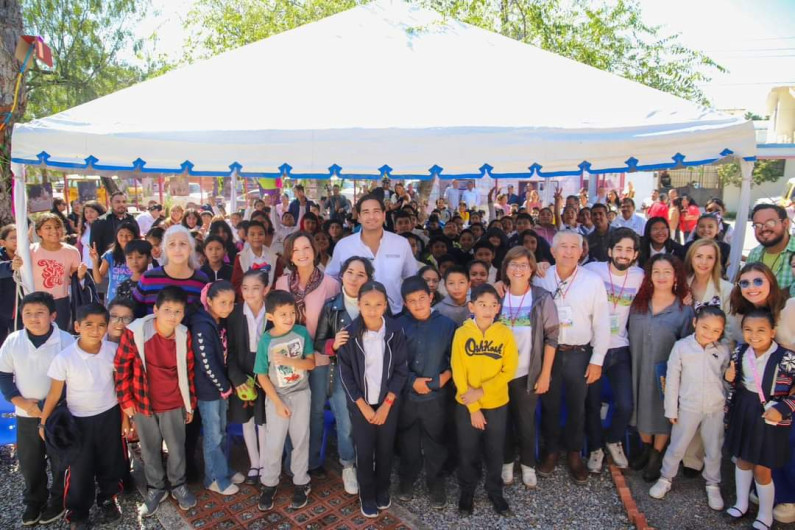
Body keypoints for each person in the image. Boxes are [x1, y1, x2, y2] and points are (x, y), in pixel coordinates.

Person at [39, 303, 128, 528]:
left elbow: (121, 387)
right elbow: (54, 393)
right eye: (89, 325)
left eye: (101, 325)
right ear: (77, 326)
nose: (95, 330)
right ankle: (78, 513)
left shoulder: (112, 351)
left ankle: (108, 499)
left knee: (111, 462)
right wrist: (43, 423)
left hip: (110, 416)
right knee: (79, 469)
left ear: (107, 327)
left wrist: (126, 418)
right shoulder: (65, 358)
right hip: (77, 422)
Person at [532, 232, 609, 484]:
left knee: (579, 406)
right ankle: (551, 451)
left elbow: (602, 323)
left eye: (574, 247)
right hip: (549, 354)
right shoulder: (541, 277)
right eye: (562, 246)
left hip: (579, 353)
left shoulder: (592, 281)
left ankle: (575, 454)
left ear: (581, 251)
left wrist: (597, 358)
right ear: (552, 252)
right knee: (550, 405)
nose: (568, 251)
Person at [115, 286, 198, 516]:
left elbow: (188, 370)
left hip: (173, 402)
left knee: (177, 448)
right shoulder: (136, 332)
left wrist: (189, 402)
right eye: (167, 310)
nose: (172, 316)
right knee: (149, 449)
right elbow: (121, 368)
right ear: (155, 309)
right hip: (143, 403)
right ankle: (156, 488)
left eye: (178, 311)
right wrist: (126, 400)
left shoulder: (183, 334)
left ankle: (179, 485)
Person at [0, 292, 74, 526]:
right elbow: (4, 375)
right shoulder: (13, 341)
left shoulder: (66, 340)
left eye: (40, 313)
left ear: (53, 315)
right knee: (30, 461)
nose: (33, 318)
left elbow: (73, 378)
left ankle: (58, 499)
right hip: (26, 414)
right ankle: (34, 499)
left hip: (57, 414)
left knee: (59, 459)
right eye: (28, 313)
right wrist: (18, 400)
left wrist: (46, 407)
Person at [648, 306, 729, 511]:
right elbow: (672, 379)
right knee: (677, 446)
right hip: (688, 406)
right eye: (705, 327)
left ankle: (712, 483)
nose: (709, 333)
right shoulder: (682, 347)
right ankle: (666, 478)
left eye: (716, 330)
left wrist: (727, 406)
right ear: (695, 323)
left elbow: (726, 382)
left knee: (713, 448)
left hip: (715, 408)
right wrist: (671, 409)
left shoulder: (722, 351)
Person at [338, 281, 407, 518]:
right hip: (361, 405)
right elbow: (345, 373)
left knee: (386, 449)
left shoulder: (395, 331)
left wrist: (387, 405)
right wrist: (362, 406)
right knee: (365, 451)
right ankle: (367, 495)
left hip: (387, 403)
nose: (372, 309)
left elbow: (400, 370)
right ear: (358, 304)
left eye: (378, 304)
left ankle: (382, 489)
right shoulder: (349, 334)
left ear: (385, 305)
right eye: (366, 304)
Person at [724, 309, 795, 530]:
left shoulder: (787, 358)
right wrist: (730, 377)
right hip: (744, 409)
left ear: (773, 331)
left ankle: (765, 514)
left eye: (761, 330)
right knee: (743, 458)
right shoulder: (741, 351)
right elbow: (736, 382)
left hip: (770, 414)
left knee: (763, 467)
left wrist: (783, 408)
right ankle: (741, 503)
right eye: (748, 330)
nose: (754, 335)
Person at [452, 284, 518, 516]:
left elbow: (508, 370)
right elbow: (457, 371)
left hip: (497, 404)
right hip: (467, 406)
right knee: (467, 450)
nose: (488, 309)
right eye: (482, 304)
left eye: (492, 305)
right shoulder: (461, 334)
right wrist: (473, 408)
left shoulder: (505, 333)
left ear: (498, 308)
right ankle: (467, 490)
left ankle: (494, 490)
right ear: (472, 306)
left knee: (495, 450)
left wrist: (481, 392)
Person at [628, 254, 694, 482]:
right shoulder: (637, 302)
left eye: (667, 271)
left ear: (676, 276)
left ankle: (657, 454)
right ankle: (646, 448)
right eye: (656, 271)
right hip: (636, 363)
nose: (662, 276)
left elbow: (687, 343)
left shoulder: (683, 309)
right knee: (640, 405)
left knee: (662, 410)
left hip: (665, 371)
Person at [583, 228, 645, 471]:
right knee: (593, 403)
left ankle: (613, 440)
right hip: (593, 347)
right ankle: (596, 449)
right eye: (619, 248)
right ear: (610, 251)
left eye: (629, 250)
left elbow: (666, 286)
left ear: (635, 254)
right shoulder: (593, 270)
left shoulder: (640, 276)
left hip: (620, 348)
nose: (623, 254)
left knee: (626, 404)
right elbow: (562, 275)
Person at [498, 247, 559, 489]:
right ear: (506, 268)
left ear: (532, 268)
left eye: (524, 264)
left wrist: (545, 374)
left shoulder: (542, 298)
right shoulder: (498, 297)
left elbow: (552, 337)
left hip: (528, 372)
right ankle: (505, 462)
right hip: (498, 375)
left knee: (525, 421)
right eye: (513, 264)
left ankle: (528, 465)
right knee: (502, 421)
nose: (518, 269)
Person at [314, 256, 375, 495]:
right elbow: (318, 342)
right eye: (350, 272)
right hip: (341, 373)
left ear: (369, 279)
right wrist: (333, 345)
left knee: (371, 418)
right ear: (342, 275)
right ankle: (348, 464)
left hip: (371, 373)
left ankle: (367, 462)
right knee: (346, 422)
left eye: (361, 274)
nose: (354, 278)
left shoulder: (375, 302)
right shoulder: (332, 306)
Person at [396, 276, 457, 508]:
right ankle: (407, 480)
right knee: (408, 440)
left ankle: (436, 483)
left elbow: (457, 359)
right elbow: (393, 362)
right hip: (407, 395)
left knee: (436, 440)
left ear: (431, 296)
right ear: (404, 303)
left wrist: (446, 376)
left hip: (436, 398)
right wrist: (412, 381)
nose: (419, 304)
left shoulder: (448, 325)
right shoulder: (398, 326)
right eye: (412, 301)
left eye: (422, 298)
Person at [255, 290, 316, 511]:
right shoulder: (266, 340)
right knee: (274, 443)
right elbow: (261, 375)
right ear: (270, 316)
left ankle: (301, 482)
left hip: (301, 394)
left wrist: (292, 361)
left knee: (300, 439)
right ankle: (269, 483)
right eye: (283, 314)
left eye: (292, 312)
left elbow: (310, 364)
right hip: (277, 398)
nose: (289, 318)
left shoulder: (301, 333)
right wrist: (278, 403)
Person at [189, 280, 243, 495]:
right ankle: (214, 478)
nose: (227, 307)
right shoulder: (202, 325)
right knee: (213, 435)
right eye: (222, 302)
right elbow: (206, 361)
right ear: (209, 301)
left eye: (231, 303)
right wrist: (223, 386)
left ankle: (223, 469)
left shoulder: (218, 321)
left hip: (220, 389)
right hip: (209, 390)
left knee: (221, 431)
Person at [326, 194, 417, 313]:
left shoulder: (401, 244)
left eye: (376, 211)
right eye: (366, 212)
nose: (371, 216)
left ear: (384, 215)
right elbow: (331, 278)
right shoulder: (344, 246)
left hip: (394, 314)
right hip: (354, 315)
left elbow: (412, 279)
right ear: (358, 217)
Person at [227, 269, 270, 485]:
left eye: (256, 288)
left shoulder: (272, 312)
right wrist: (237, 378)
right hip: (242, 373)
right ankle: (254, 462)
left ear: (266, 290)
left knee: (263, 420)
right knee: (247, 419)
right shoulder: (235, 314)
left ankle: (264, 462)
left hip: (265, 373)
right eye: (245, 288)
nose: (250, 293)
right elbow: (230, 350)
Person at [133, 225, 210, 317]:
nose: (177, 249)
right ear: (165, 249)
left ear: (190, 248)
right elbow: (134, 313)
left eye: (183, 244)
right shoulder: (148, 278)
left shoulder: (201, 280)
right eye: (172, 244)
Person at [29, 214, 85, 330]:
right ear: (39, 232)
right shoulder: (30, 251)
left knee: (60, 334)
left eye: (57, 226)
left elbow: (74, 279)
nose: (54, 230)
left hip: (61, 301)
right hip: (35, 300)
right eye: (48, 227)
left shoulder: (72, 251)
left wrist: (80, 275)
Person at [746, 204, 794, 293]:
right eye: (758, 225)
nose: (763, 228)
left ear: (785, 223)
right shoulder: (754, 254)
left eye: (770, 222)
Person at [90, 222, 137, 304]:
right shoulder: (110, 255)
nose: (124, 238)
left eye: (128, 235)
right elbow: (98, 280)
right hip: (114, 299)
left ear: (134, 236)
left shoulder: (139, 254)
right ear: (116, 236)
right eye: (121, 235)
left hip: (135, 298)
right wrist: (94, 261)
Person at [684, 239, 733, 313]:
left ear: (715, 261)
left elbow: (732, 323)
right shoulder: (682, 283)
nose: (704, 262)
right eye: (699, 256)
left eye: (710, 257)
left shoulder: (727, 289)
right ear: (691, 258)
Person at [231, 220, 277, 295]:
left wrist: (269, 293)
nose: (256, 237)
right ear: (246, 237)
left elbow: (277, 281)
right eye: (252, 234)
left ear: (265, 236)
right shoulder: (240, 257)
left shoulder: (274, 257)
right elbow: (236, 283)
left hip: (269, 299)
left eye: (260, 234)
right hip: (247, 298)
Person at [0, 225, 20, 343]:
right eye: (13, 238)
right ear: (3, 242)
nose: (17, 240)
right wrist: (11, 266)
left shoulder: (28, 254)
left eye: (20, 237)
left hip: (21, 311)